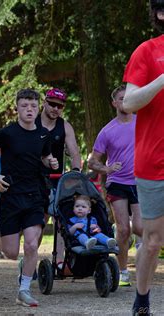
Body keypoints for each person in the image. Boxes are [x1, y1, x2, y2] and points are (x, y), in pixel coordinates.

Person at [0, 89, 59, 307]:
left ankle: (24, 290)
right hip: (10, 196)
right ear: (17, 108)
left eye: (33, 106)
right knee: (11, 252)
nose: (29, 110)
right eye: (25, 106)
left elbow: (45, 157)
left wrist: (50, 162)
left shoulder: (43, 134)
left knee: (32, 245)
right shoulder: (7, 133)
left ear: (38, 108)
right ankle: (0, 223)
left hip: (35, 195)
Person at [122, 1, 164, 314]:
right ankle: (142, 299)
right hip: (154, 162)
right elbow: (130, 102)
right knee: (152, 240)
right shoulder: (147, 52)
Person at [88, 84, 142, 286]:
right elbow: (92, 162)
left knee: (139, 227)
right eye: (121, 98)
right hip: (117, 183)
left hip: (139, 182)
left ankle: (143, 253)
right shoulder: (107, 131)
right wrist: (107, 169)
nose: (125, 101)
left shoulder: (142, 123)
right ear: (114, 103)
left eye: (128, 97)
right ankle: (123, 271)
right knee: (123, 229)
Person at [36, 88, 81, 268]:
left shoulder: (65, 126)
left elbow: (75, 152)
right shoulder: (32, 122)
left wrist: (76, 172)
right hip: (34, 179)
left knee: (61, 220)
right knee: (38, 222)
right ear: (45, 102)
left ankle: (60, 261)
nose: (55, 109)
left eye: (60, 106)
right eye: (52, 104)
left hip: (56, 179)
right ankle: (31, 258)